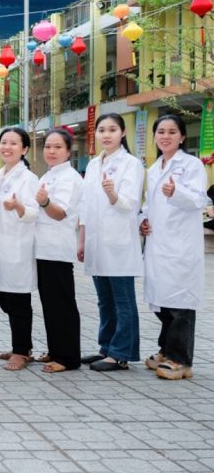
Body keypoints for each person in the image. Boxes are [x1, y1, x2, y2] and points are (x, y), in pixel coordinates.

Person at [139, 114, 206, 380]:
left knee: (180, 303)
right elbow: (149, 204)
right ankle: (166, 349)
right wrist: (143, 221)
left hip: (181, 244)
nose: (165, 136)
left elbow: (198, 200)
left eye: (172, 132)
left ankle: (181, 360)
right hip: (158, 244)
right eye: (161, 132)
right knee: (163, 300)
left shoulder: (191, 165)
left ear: (182, 137)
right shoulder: (155, 168)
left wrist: (175, 193)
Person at [79, 113, 144, 371]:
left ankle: (121, 353)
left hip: (119, 243)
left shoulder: (131, 164)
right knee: (104, 300)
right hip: (96, 243)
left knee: (123, 301)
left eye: (113, 129)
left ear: (123, 133)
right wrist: (82, 240)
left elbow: (131, 205)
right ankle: (106, 347)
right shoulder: (94, 164)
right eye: (102, 130)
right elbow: (86, 206)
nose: (106, 135)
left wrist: (113, 195)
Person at [34, 128, 85, 373]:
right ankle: (56, 350)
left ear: (68, 151)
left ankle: (68, 357)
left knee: (62, 305)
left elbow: (60, 213)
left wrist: (44, 201)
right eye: (48, 146)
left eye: (57, 147)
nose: (51, 151)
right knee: (50, 304)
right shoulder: (49, 175)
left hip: (57, 250)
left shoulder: (70, 178)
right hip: (43, 249)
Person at [0, 127, 39, 371]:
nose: (6, 147)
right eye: (3, 142)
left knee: (18, 302)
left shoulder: (28, 178)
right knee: (5, 300)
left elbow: (33, 213)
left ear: (24, 149)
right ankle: (22, 346)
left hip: (18, 246)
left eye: (13, 143)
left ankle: (21, 351)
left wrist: (18, 206)